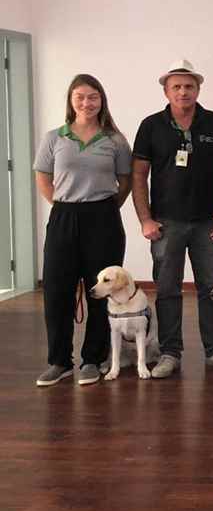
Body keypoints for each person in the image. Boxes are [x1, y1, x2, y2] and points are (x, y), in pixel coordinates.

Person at [132, 60, 213, 378]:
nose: (183, 91)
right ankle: (169, 353)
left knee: (211, 287)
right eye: (176, 86)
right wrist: (145, 219)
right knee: (167, 289)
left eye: (189, 86)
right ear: (166, 90)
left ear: (198, 89)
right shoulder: (151, 125)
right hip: (166, 224)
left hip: (208, 222)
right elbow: (138, 175)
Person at [33, 74, 132, 386]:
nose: (87, 103)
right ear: (71, 101)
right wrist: (64, 205)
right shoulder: (54, 138)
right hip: (64, 216)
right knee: (57, 290)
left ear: (101, 100)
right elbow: (43, 177)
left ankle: (93, 358)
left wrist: (101, 209)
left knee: (102, 291)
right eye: (80, 97)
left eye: (93, 97)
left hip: (103, 218)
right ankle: (60, 361)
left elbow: (126, 181)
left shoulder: (115, 140)